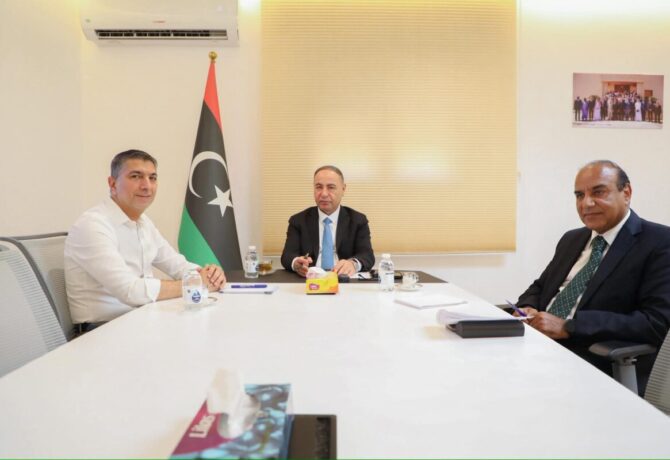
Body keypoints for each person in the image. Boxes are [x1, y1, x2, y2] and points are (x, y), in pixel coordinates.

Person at [515, 160, 670, 393]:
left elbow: (655, 323)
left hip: (590, 361)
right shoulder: (572, 239)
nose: (586, 203)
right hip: (537, 346)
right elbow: (539, 287)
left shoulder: (659, 242)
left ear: (626, 193)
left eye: (598, 192)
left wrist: (570, 327)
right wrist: (527, 308)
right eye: (579, 195)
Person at [65, 149, 226, 331]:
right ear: (112, 183)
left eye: (152, 178)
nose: (147, 186)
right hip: (102, 330)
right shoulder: (93, 225)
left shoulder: (143, 223)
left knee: (213, 327)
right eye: (136, 176)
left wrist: (209, 275)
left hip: (140, 320)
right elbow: (130, 291)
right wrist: (196, 283)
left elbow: (177, 265)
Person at [280, 165, 375, 277]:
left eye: (331, 187)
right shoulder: (298, 220)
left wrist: (353, 264)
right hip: (310, 279)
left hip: (343, 278)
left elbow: (367, 255)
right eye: (319, 187)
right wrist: (296, 263)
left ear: (343, 189)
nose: (324, 194)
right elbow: (287, 256)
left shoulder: (357, 220)